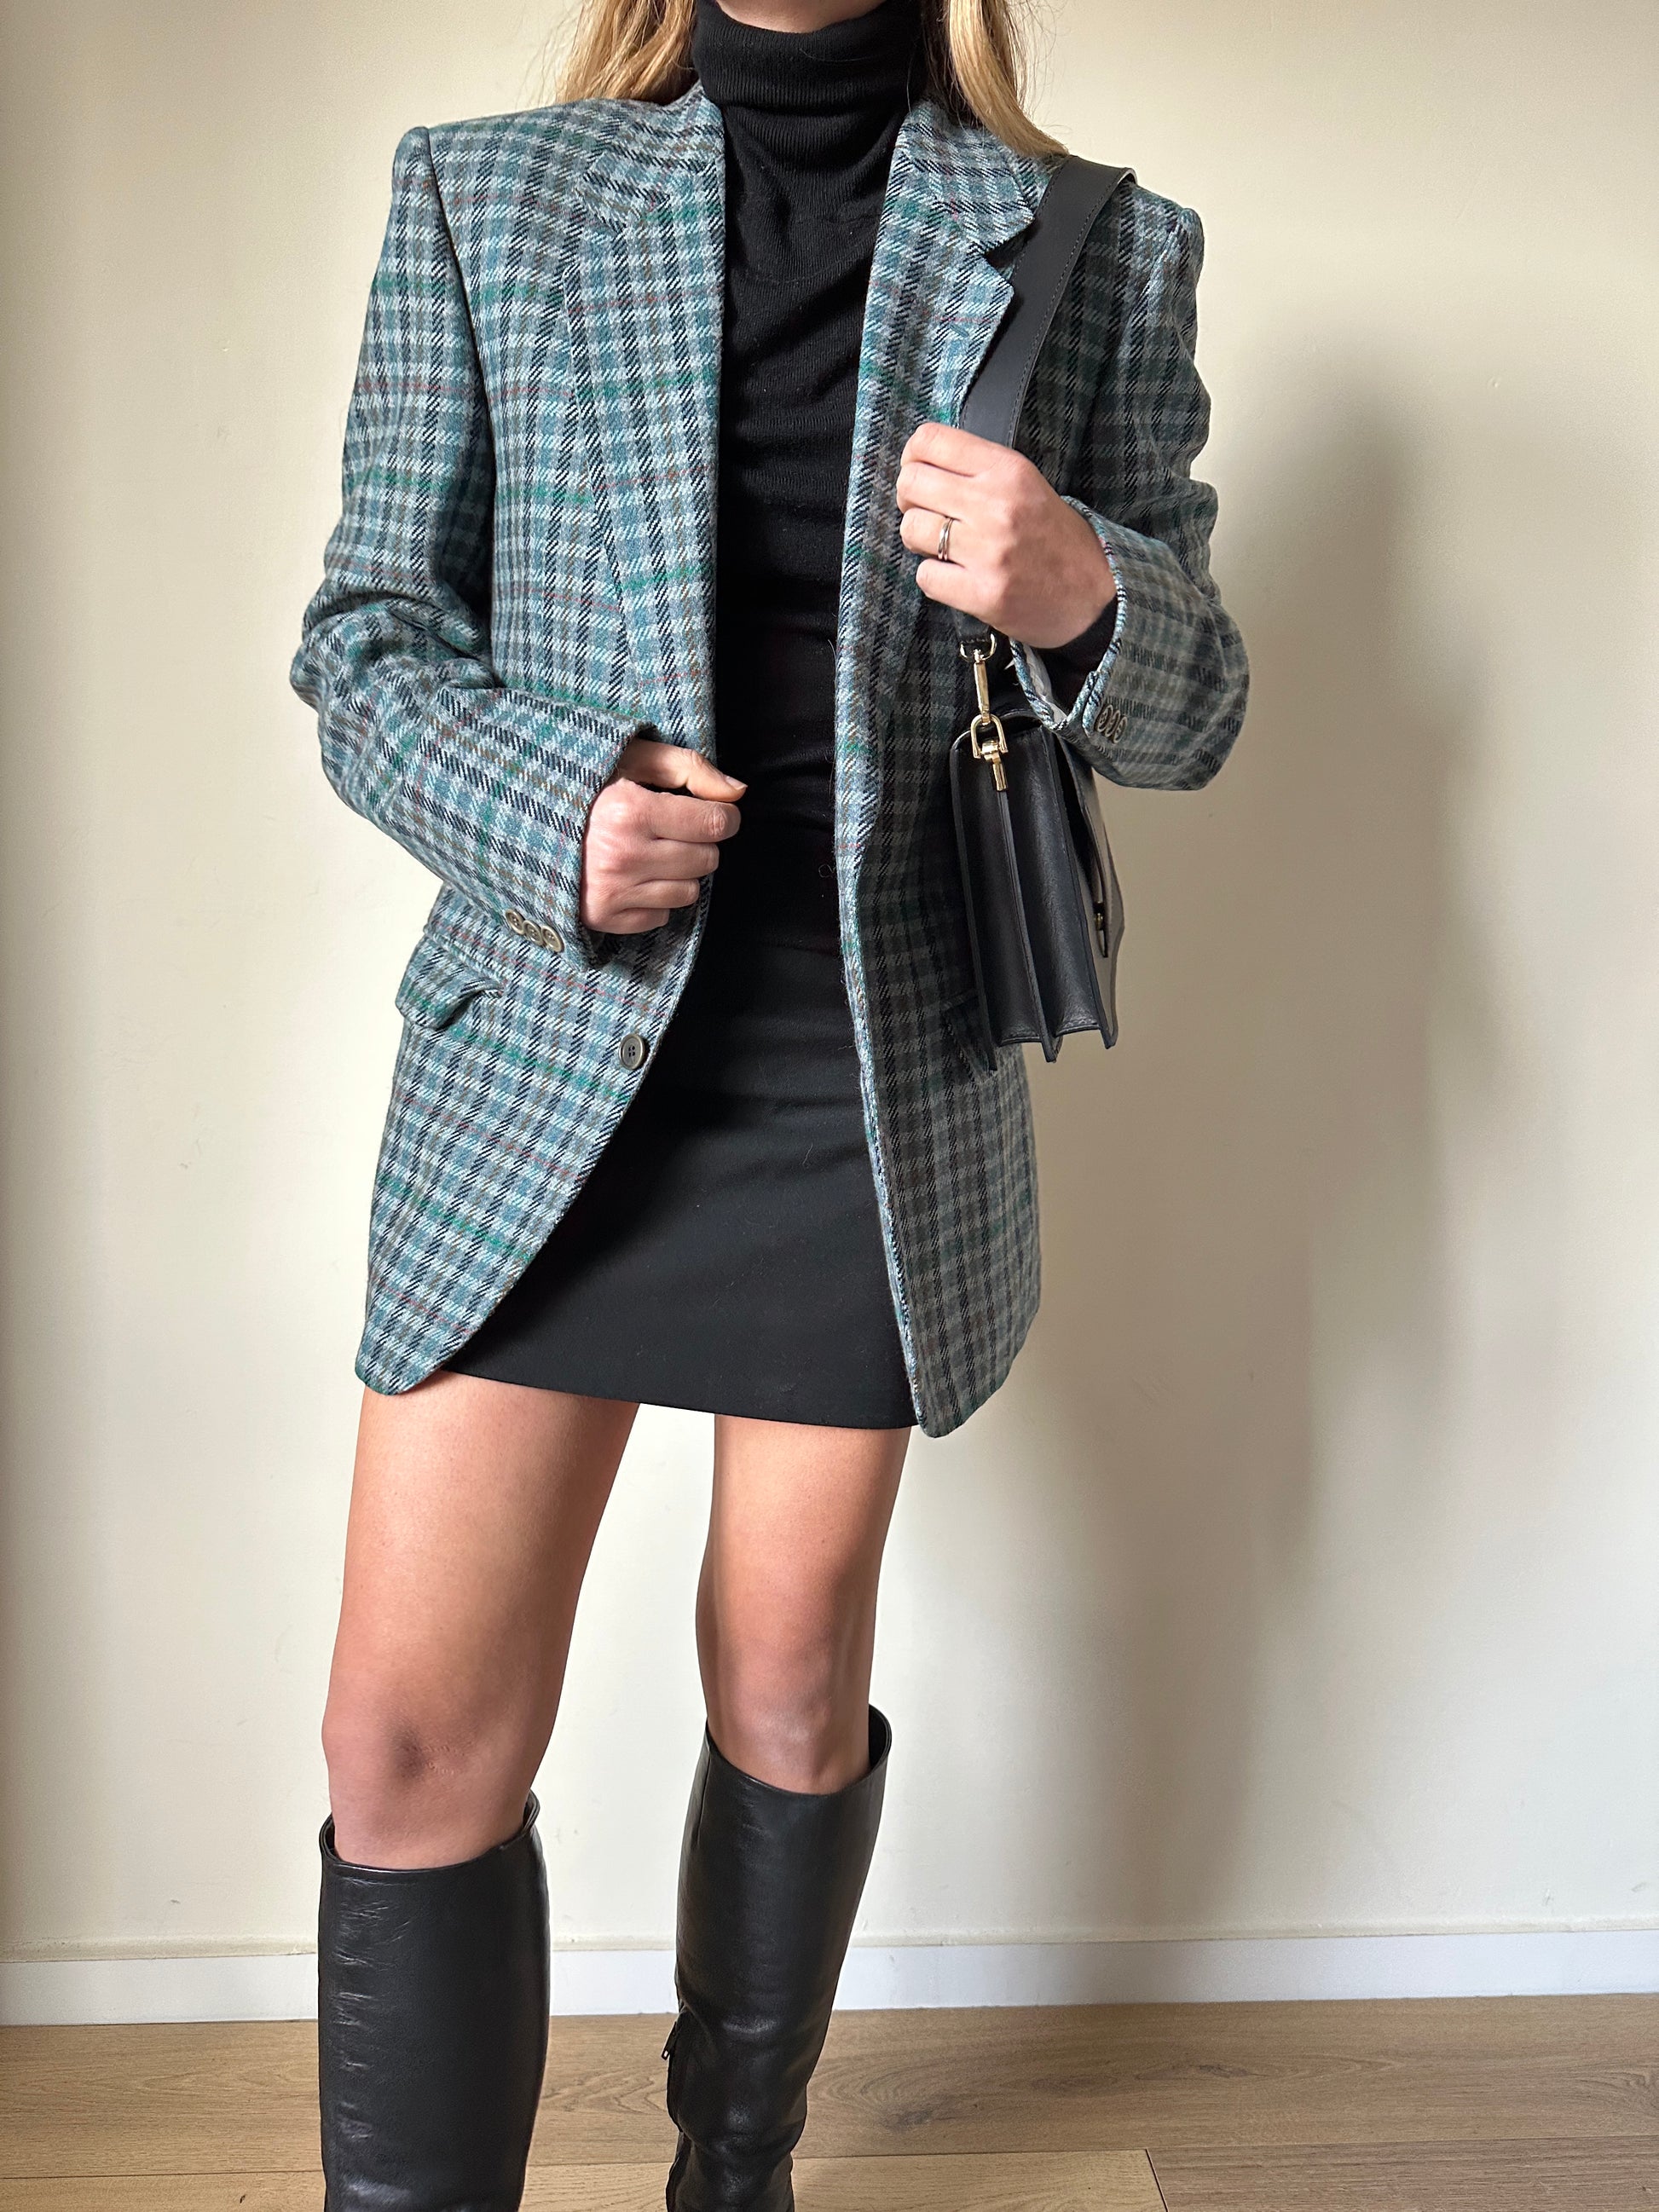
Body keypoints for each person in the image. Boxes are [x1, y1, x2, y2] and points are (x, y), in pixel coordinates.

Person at [289, 0, 1248, 2199]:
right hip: (549, 1063)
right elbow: (363, 639)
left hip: (866, 1081)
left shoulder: (1096, 242)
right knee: (404, 1740)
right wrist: (555, 804)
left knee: (792, 1681)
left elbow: (1194, 709)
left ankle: (735, 2174)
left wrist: (1087, 590)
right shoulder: (491, 197)